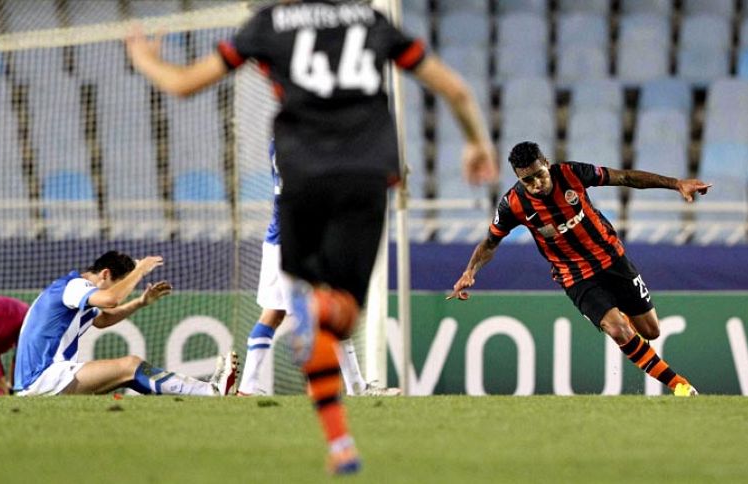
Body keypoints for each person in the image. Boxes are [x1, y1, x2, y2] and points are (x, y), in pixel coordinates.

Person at [126, 1, 495, 474]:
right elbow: (456, 89)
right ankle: (327, 345)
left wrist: (144, 59)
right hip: (366, 177)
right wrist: (474, 141)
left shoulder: (267, 25)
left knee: (312, 318)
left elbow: (182, 85)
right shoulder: (371, 22)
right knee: (340, 318)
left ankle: (339, 439)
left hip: (304, 182)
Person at [450, 141, 711, 396]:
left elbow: (626, 178)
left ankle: (620, 309)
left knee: (651, 331)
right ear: (519, 179)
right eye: (527, 181)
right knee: (618, 330)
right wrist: (469, 271)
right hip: (574, 276)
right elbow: (491, 242)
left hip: (612, 259)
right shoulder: (513, 204)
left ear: (547, 164)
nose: (536, 184)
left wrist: (676, 183)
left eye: (539, 175)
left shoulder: (571, 173)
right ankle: (680, 385)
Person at [238, 140, 401, 397]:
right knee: (331, 306)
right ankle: (355, 387)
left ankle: (247, 387)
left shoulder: (281, 143)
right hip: (296, 242)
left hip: (277, 239)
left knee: (273, 313)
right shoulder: (302, 147)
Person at [13, 250, 239, 397]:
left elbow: (103, 320)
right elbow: (111, 300)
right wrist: (140, 270)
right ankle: (211, 392)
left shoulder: (73, 292)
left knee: (130, 373)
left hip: (42, 379)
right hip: (42, 377)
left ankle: (206, 391)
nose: (119, 290)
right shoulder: (73, 286)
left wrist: (140, 302)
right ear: (105, 274)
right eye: (119, 284)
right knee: (130, 366)